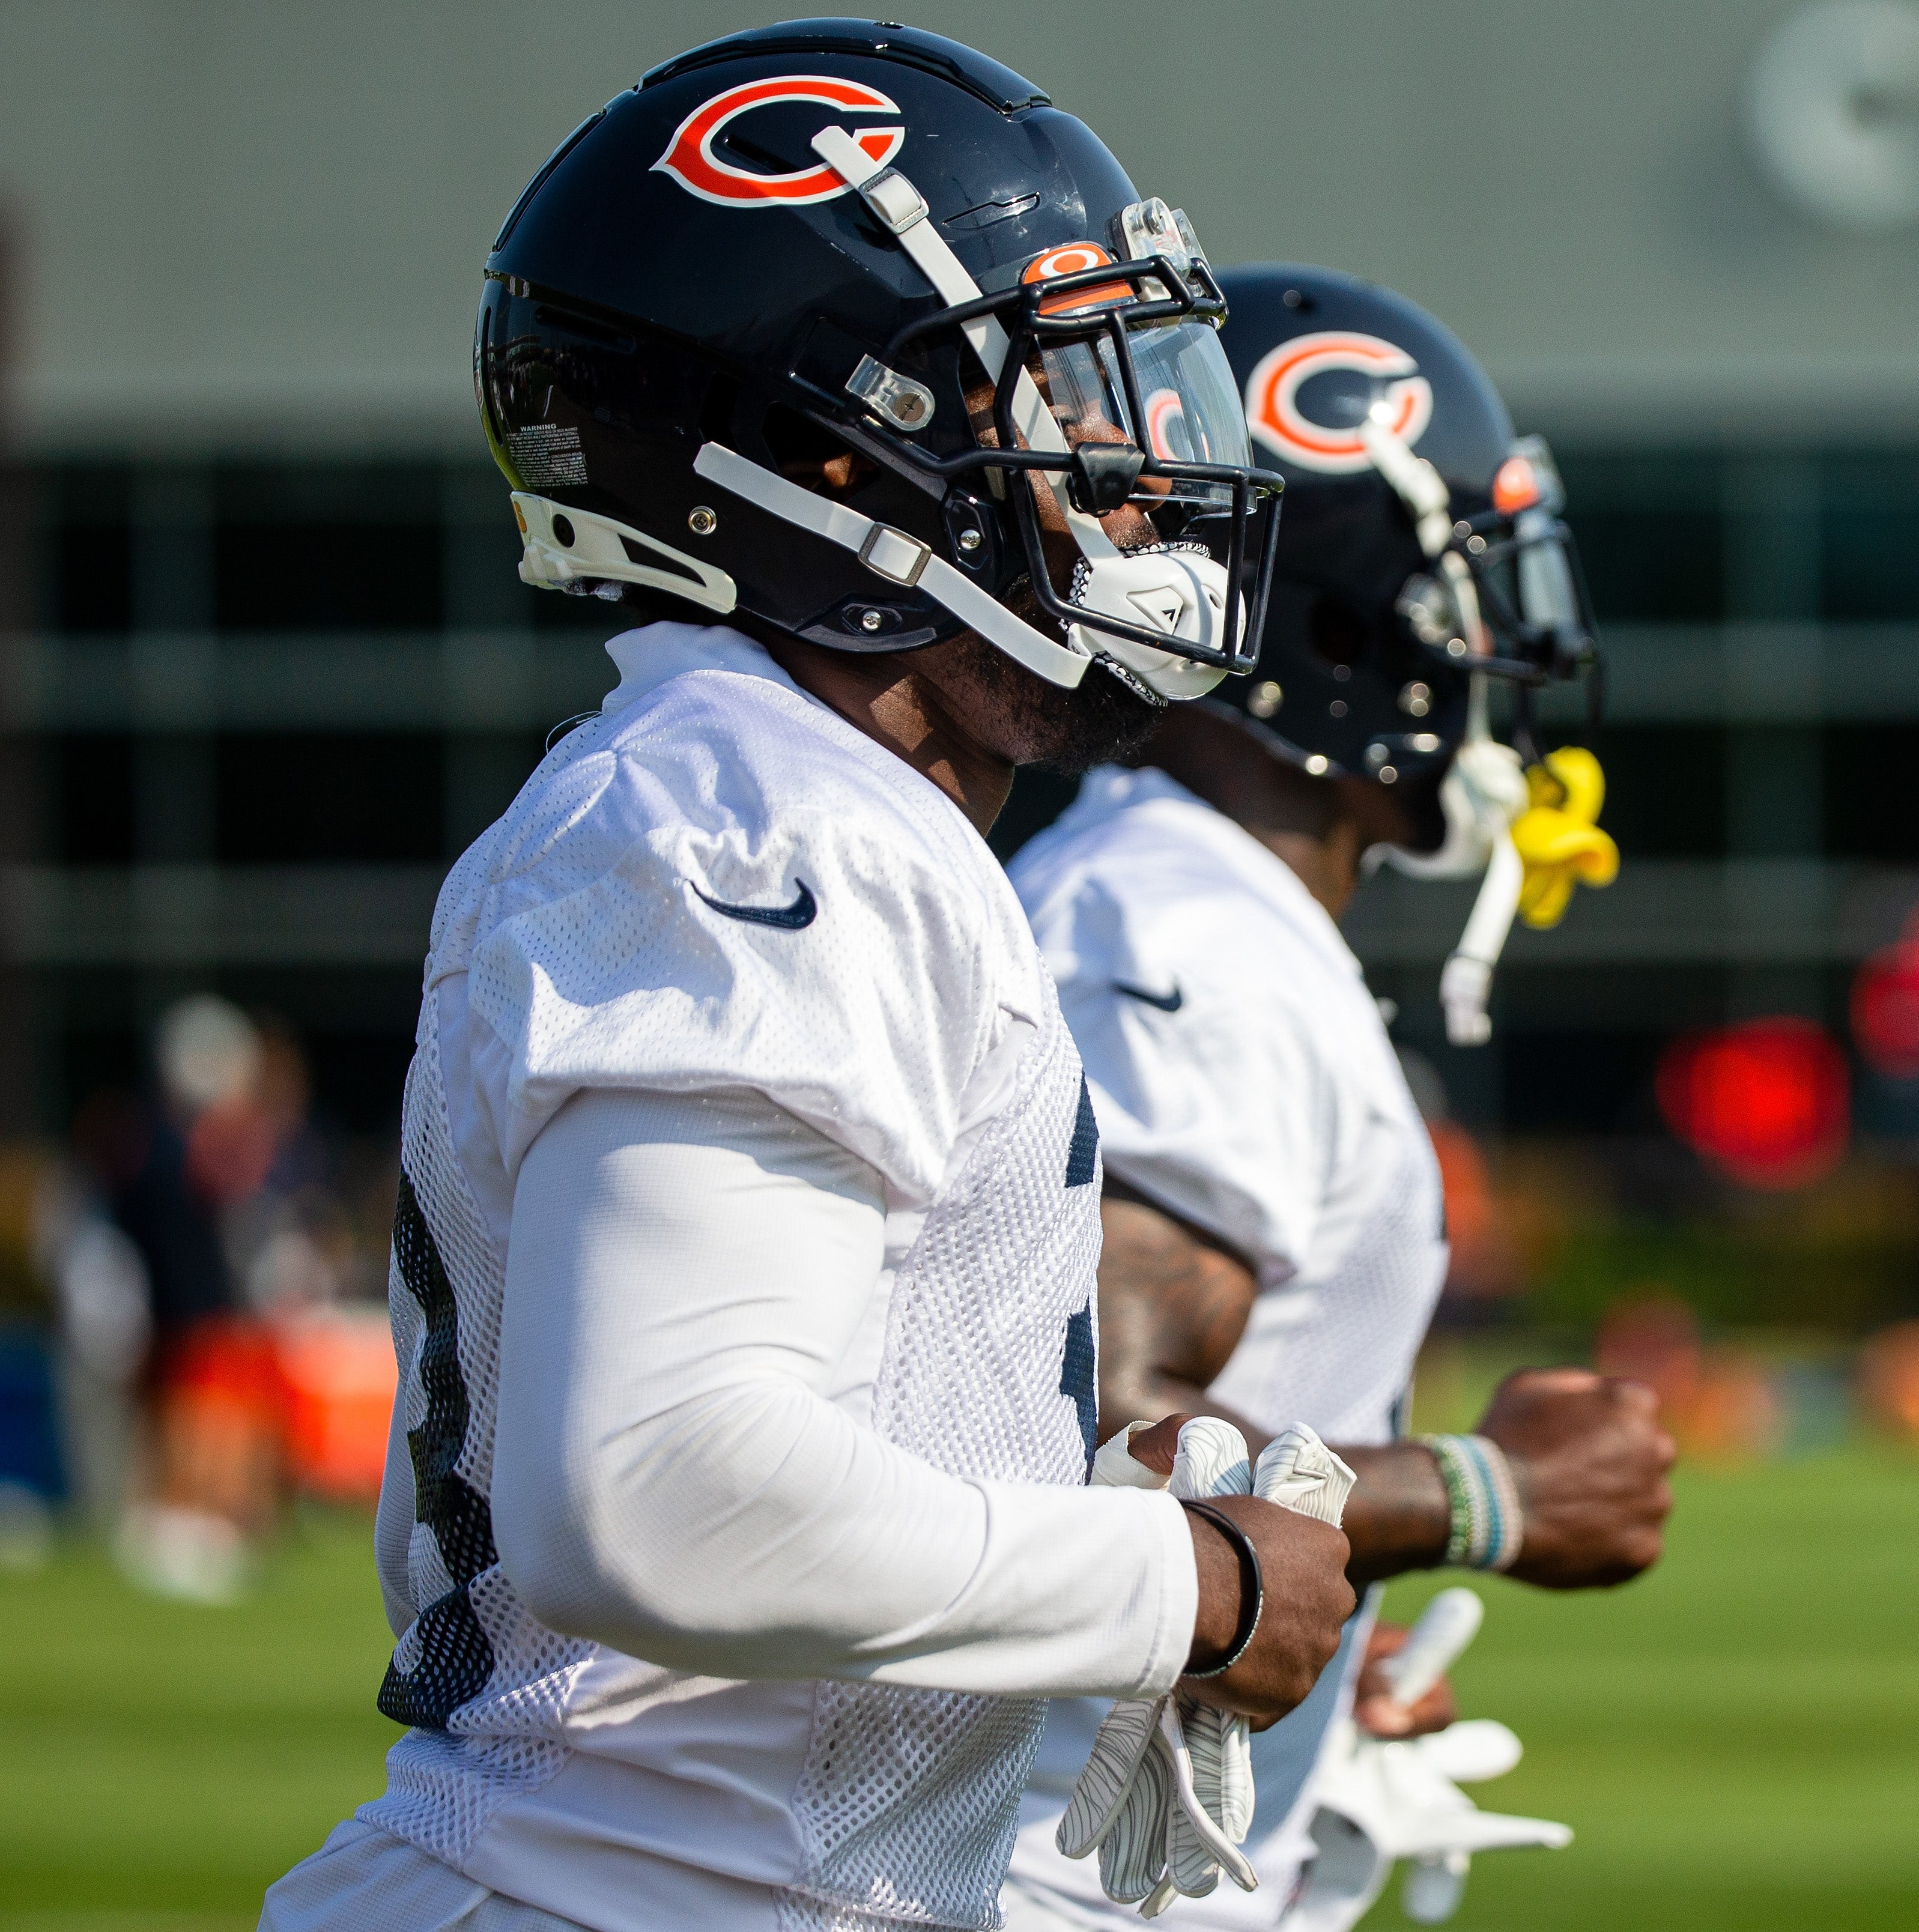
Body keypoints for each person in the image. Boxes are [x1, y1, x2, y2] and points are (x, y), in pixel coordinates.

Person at [259, 25, 1355, 1932]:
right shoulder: (765, 815)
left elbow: (752, 1429)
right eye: (1052, 397)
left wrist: (1079, 1481)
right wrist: (1184, 1581)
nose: (1131, 467)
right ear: (829, 460)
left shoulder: (808, 802)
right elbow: (663, 1492)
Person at [1000, 265, 1673, 1931]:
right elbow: (1085, 1443)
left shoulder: (1198, 906)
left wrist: (1318, 1635)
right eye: (1465, 589)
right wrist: (1479, 1491)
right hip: (1039, 1877)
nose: (1497, 649)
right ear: (1342, 617)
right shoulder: (1171, 924)